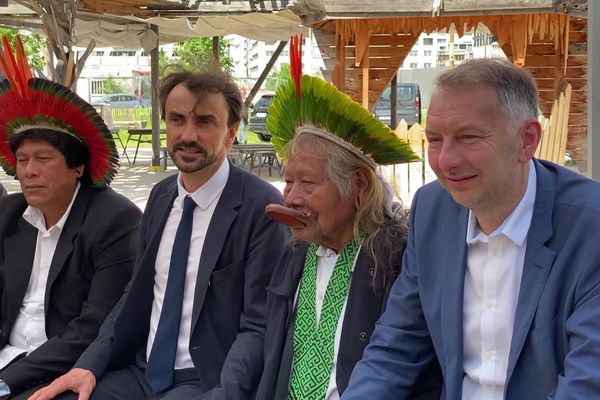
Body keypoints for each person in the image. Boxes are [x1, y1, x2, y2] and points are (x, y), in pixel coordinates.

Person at [342, 58, 600, 399]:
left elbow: (587, 383)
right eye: (434, 139)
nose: (446, 161)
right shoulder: (431, 211)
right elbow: (395, 349)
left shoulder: (589, 226)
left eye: (468, 137)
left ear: (527, 140)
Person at [30, 70, 289, 400]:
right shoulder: (162, 196)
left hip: (204, 379)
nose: (187, 135)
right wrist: (89, 366)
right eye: (177, 119)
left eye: (205, 122)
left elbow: (259, 326)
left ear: (231, 133)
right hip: (141, 372)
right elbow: (134, 292)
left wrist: (224, 395)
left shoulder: (261, 208)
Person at [250, 35, 440, 400]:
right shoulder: (294, 253)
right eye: (288, 181)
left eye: (307, 183)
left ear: (359, 186)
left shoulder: (398, 259)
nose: (291, 196)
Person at [0, 37, 141, 399]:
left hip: (63, 369)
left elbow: (92, 326)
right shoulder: (9, 214)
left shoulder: (115, 220)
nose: (29, 172)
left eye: (44, 159)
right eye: (23, 160)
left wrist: (7, 382)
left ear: (77, 166)